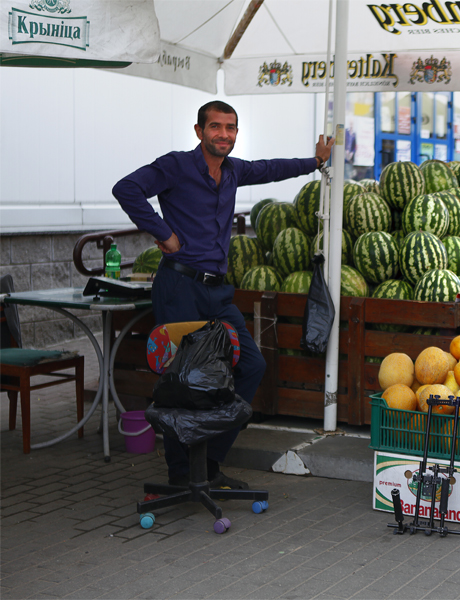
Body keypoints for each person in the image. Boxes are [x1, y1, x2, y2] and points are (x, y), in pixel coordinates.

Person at [112, 101, 334, 487]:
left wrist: (314, 162)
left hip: (218, 293)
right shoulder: (176, 165)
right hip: (180, 286)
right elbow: (126, 189)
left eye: (231, 128)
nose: (224, 135)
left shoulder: (232, 171)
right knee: (183, 380)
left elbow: (269, 169)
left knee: (251, 366)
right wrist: (162, 233)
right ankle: (182, 473)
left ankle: (210, 461)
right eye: (216, 127)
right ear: (199, 131)